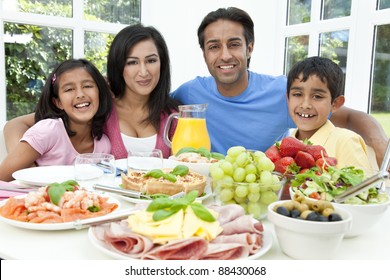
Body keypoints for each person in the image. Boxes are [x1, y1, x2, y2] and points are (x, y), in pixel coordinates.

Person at [170, 7, 388, 167]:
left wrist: (380, 144)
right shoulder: (190, 92)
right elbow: (147, 106)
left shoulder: (283, 92)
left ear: (249, 48)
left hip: (264, 193)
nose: (225, 55)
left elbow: (348, 117)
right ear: (204, 53)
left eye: (234, 44)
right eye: (214, 46)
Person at [3, 24, 179, 159]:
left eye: (151, 60)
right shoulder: (99, 106)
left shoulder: (172, 116)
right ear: (118, 65)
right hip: (107, 204)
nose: (143, 71)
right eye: (132, 62)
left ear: (162, 64)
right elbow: (14, 125)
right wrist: (27, 165)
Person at [0, 59, 112, 181]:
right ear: (58, 102)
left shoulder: (103, 145)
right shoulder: (48, 130)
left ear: (100, 93)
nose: (80, 94)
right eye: (69, 89)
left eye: (87, 86)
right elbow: (2, 176)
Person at [285, 56, 373, 171]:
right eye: (297, 94)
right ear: (288, 98)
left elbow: (362, 187)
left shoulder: (346, 141)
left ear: (335, 103)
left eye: (317, 96)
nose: (305, 105)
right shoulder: (283, 146)